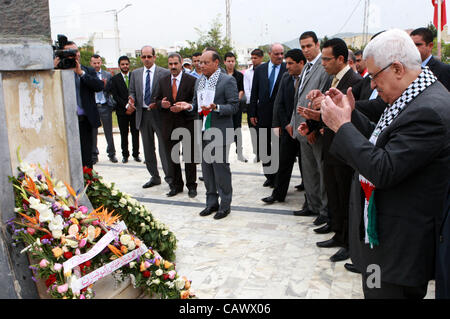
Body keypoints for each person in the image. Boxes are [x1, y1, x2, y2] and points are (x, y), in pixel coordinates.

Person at [321, 29, 450, 299]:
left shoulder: (429, 110)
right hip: (387, 240)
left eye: (375, 76)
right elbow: (379, 138)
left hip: (398, 247)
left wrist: (341, 126)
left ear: (397, 68)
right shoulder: (413, 95)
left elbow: (384, 168)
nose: (372, 85)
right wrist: (350, 115)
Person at [299, 38, 363, 263]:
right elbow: (330, 115)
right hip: (331, 147)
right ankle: (337, 232)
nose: (323, 63)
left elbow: (353, 118)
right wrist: (314, 122)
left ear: (341, 59)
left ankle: (348, 242)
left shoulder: (354, 82)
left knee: (345, 196)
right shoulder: (333, 80)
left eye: (327, 59)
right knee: (334, 194)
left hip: (344, 151)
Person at [177, 50, 239, 220]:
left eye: (205, 62)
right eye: (200, 63)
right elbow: (197, 105)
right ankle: (211, 203)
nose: (201, 65)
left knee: (220, 169)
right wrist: (188, 106)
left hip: (220, 131)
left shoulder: (227, 80)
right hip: (203, 130)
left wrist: (216, 108)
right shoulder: (200, 82)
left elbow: (234, 106)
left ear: (216, 63)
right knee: (207, 169)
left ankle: (225, 204)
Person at [290, 31, 331, 227]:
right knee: (307, 170)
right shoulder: (305, 68)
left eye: (309, 46)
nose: (306, 50)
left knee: (320, 170)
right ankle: (312, 203)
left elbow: (321, 101)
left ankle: (324, 209)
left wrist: (314, 127)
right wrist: (292, 121)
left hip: (313, 128)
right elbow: (298, 98)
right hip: (301, 127)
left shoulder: (323, 68)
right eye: (303, 47)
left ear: (317, 44)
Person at [261, 49, 306, 204]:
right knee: (284, 162)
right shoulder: (286, 78)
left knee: (306, 164)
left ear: (301, 63)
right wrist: (284, 124)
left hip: (305, 129)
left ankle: (309, 197)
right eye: (287, 64)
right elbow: (279, 103)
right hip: (288, 129)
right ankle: (278, 194)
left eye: (291, 63)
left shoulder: (308, 78)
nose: (287, 67)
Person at [154, 53, 198, 198]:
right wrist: (162, 104)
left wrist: (185, 106)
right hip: (168, 124)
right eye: (170, 64)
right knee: (172, 156)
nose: (173, 67)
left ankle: (191, 185)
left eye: (175, 64)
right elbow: (157, 99)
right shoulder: (163, 81)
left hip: (187, 123)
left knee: (189, 156)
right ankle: (176, 185)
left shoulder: (191, 80)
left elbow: (195, 102)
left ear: (181, 64)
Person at [54, 41, 103, 169]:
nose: (72, 55)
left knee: (86, 157)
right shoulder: (57, 70)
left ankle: (88, 181)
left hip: (84, 121)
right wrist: (53, 70)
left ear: (79, 53)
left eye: (74, 51)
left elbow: (99, 86)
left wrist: (81, 73)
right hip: (64, 121)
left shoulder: (87, 71)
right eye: (68, 52)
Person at [128, 45, 171, 189]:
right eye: (143, 57)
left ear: (154, 57)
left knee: (164, 148)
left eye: (149, 56)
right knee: (147, 148)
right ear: (140, 58)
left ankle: (170, 178)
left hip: (159, 115)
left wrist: (159, 104)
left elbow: (168, 94)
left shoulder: (164, 73)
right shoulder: (135, 74)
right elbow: (132, 91)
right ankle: (154, 176)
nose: (146, 59)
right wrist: (131, 99)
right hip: (143, 114)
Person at [249, 43, 286, 188]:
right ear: (269, 54)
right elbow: (254, 92)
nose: (280, 57)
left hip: (279, 116)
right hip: (262, 114)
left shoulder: (286, 69)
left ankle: (277, 176)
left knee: (278, 147)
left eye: (282, 53)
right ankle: (269, 175)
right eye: (277, 54)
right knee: (264, 147)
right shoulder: (261, 70)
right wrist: (252, 112)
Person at [108, 56, 140, 164]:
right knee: (124, 133)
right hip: (122, 111)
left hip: (134, 110)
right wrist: (126, 106)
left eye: (126, 64)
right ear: (119, 66)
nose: (125, 66)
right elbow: (115, 96)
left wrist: (132, 105)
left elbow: (137, 92)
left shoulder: (134, 77)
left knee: (135, 133)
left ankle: (136, 154)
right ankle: (125, 155)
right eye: (122, 64)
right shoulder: (114, 79)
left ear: (129, 64)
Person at [89, 54, 117, 164]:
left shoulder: (107, 75)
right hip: (93, 106)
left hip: (105, 105)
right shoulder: (89, 74)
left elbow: (110, 90)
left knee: (108, 131)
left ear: (101, 63)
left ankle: (112, 153)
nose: (96, 65)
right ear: (91, 63)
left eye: (98, 62)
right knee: (93, 132)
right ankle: (94, 155)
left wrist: (104, 86)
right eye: (94, 63)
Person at [224, 51, 247, 162]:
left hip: (236, 107)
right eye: (228, 61)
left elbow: (241, 90)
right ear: (224, 62)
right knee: (225, 130)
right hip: (224, 107)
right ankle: (225, 154)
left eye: (232, 61)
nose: (230, 63)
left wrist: (236, 100)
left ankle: (240, 153)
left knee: (237, 129)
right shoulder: (221, 75)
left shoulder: (239, 75)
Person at [243, 48, 264, 162]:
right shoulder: (248, 73)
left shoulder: (265, 70)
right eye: (252, 58)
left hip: (264, 104)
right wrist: (254, 102)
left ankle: (266, 151)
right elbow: (247, 90)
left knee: (264, 130)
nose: (253, 60)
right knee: (253, 130)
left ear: (261, 58)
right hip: (252, 104)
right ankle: (257, 153)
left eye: (256, 58)